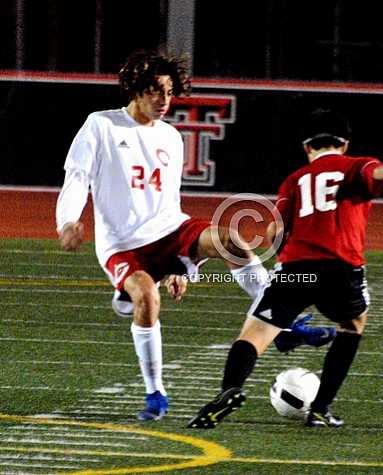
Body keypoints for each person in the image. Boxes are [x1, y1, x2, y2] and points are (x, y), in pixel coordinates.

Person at [55, 50, 334, 421]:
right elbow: (76, 178)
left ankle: (280, 324)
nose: (164, 100)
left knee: (233, 240)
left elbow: (170, 201)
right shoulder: (101, 125)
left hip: (170, 229)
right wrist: (67, 221)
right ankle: (155, 393)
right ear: (136, 89)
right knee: (146, 298)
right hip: (123, 246)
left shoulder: (171, 137)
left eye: (169, 92)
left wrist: (180, 266)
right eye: (155, 90)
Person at [187, 108, 383, 429]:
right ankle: (320, 408)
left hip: (296, 269)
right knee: (352, 324)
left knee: (256, 332)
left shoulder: (293, 181)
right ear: (344, 144)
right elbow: (377, 175)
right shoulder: (354, 164)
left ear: (307, 147)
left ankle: (229, 390)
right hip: (339, 269)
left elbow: (273, 233)